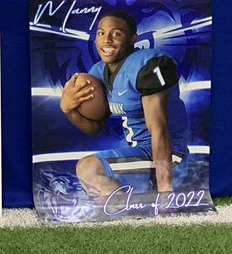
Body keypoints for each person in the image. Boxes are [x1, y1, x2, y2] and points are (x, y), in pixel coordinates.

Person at [60, 11, 190, 198]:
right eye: (101, 33)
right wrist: (68, 110)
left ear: (132, 39)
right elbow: (95, 127)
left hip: (168, 154)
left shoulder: (148, 65)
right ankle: (125, 211)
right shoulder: (98, 71)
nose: (107, 40)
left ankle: (128, 209)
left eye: (116, 34)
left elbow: (159, 130)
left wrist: (165, 192)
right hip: (140, 152)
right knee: (96, 192)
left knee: (88, 168)